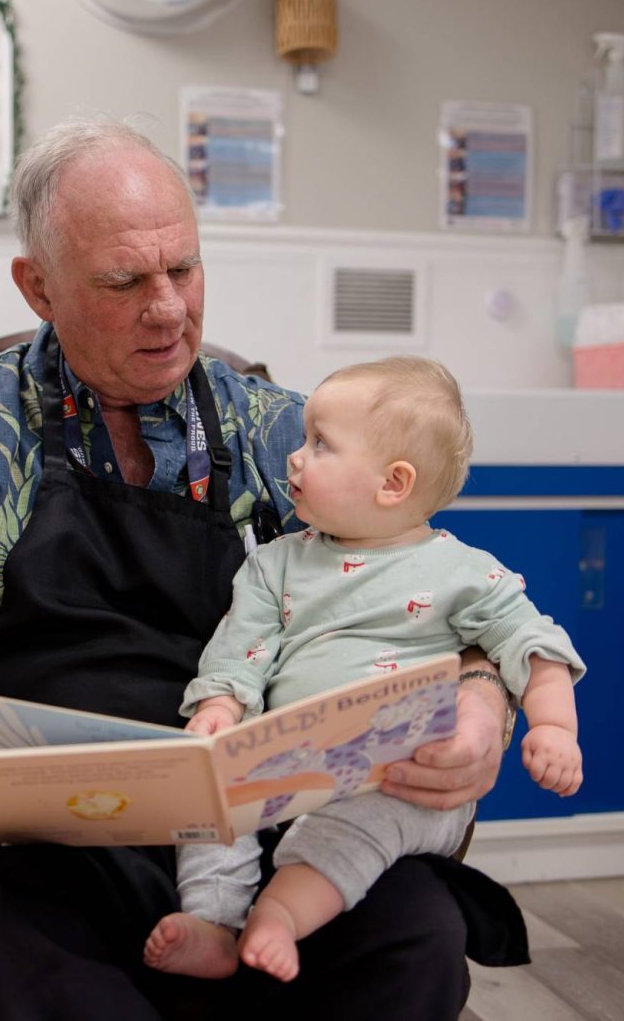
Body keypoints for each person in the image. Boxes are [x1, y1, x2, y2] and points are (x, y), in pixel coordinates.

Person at [0, 117, 521, 1021]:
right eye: (124, 281)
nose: (168, 308)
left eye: (183, 269)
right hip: (34, 850)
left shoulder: (284, 434)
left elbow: (451, 592)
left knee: (416, 933)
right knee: (0, 953)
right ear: (38, 286)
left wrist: (480, 701)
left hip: (255, 833)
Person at [144, 356, 584, 984]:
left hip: (403, 774)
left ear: (393, 483)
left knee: (357, 824)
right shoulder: (275, 565)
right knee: (208, 800)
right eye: (302, 439)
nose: (294, 457)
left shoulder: (463, 573)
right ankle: (214, 923)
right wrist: (221, 709)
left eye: (320, 444)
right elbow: (239, 649)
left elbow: (534, 645)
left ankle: (278, 917)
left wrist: (554, 729)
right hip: (286, 763)